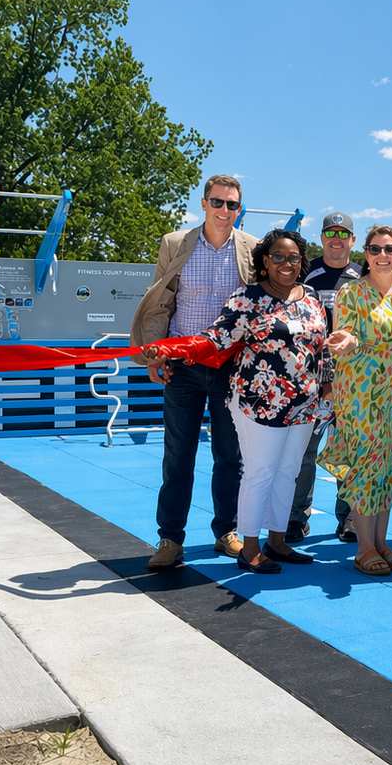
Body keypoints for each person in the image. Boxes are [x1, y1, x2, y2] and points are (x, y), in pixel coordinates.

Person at [142, 230, 347, 573]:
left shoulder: (310, 296)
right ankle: (249, 548)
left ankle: (277, 541)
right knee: (258, 473)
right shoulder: (248, 297)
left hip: (303, 404)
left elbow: (321, 347)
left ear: (302, 263)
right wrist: (168, 349)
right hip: (259, 403)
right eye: (278, 257)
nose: (286, 263)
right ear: (264, 261)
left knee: (288, 473)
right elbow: (214, 339)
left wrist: (327, 388)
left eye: (293, 258)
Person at [129, 174, 258, 571]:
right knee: (178, 456)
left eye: (231, 204)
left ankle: (227, 531)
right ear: (204, 204)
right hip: (183, 366)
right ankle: (170, 538)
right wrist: (156, 355)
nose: (224, 210)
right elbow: (161, 304)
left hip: (230, 367)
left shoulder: (252, 248)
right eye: (217, 202)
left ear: (239, 209)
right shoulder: (175, 243)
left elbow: (259, 310)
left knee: (230, 457)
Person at [318, 225, 392, 576]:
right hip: (361, 393)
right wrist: (346, 341)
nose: (383, 255)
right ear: (365, 254)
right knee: (366, 466)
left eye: (389, 249)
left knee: (389, 467)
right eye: (375, 249)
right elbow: (346, 333)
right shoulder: (351, 292)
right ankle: (364, 547)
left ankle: (381, 542)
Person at [285, 212, 362, 545]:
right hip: (311, 378)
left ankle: (349, 518)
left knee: (349, 449)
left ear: (353, 240)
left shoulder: (363, 274)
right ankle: (296, 517)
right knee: (304, 450)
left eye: (343, 234)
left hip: (352, 378)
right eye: (331, 232)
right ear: (321, 238)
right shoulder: (305, 273)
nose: (336, 239)